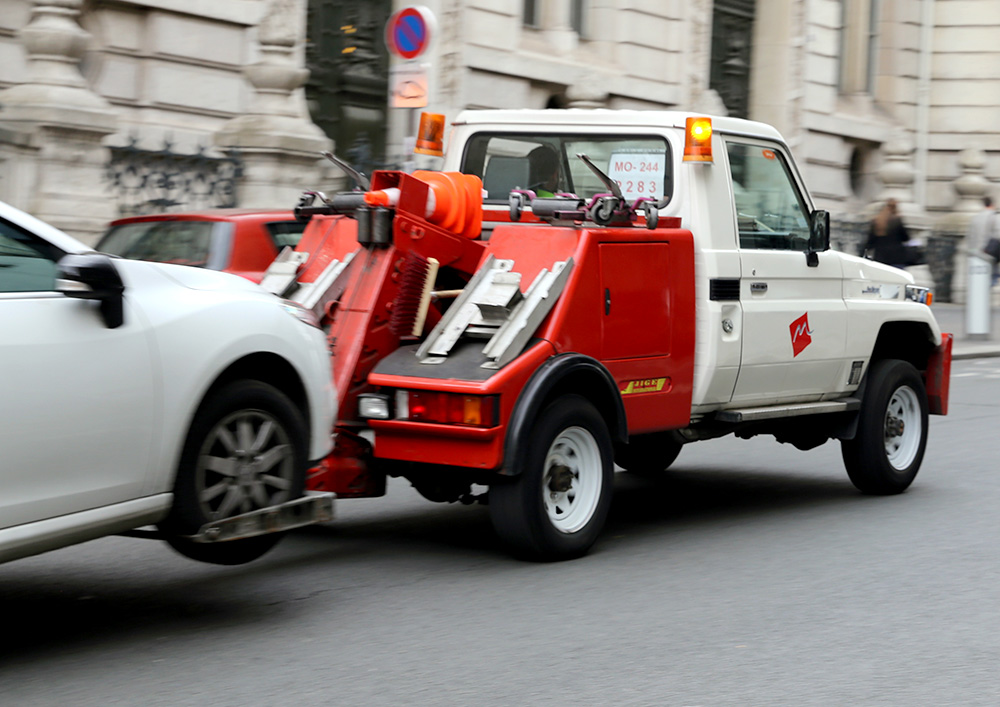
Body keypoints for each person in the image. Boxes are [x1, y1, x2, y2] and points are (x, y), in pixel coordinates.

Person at [862, 198, 910, 268]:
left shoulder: (877, 221)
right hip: (897, 257)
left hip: (880, 257)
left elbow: (870, 242)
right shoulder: (897, 220)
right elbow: (905, 238)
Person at [966, 196, 999, 285]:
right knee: (992, 276)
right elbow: (997, 235)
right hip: (990, 253)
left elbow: (970, 236)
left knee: (978, 278)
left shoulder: (975, 218)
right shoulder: (994, 216)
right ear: (992, 205)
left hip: (976, 253)